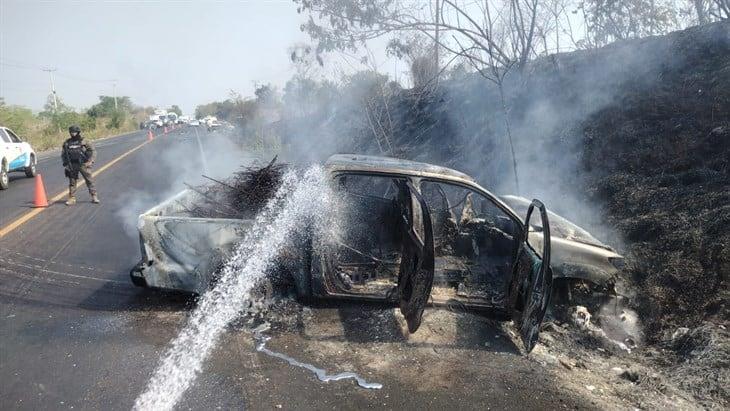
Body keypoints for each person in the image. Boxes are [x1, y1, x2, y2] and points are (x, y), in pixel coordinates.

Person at [62, 125, 99, 205]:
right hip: (72, 165)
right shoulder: (67, 142)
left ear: (78, 132)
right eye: (71, 132)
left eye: (75, 132)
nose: (73, 133)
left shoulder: (84, 141)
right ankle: (72, 198)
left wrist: (90, 161)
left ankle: (94, 196)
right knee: (72, 182)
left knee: (89, 180)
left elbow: (93, 151)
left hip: (83, 164)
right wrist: (66, 164)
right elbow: (64, 154)